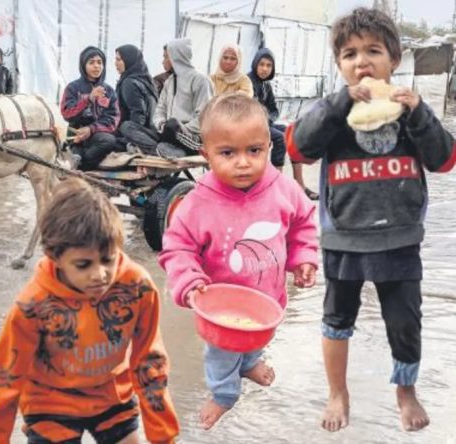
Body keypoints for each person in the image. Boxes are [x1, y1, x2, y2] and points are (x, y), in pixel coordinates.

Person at [286, 7, 456, 433]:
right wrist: (341, 102)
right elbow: (298, 149)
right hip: (344, 238)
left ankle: (405, 391)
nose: (362, 62)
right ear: (339, 64)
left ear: (393, 60)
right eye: (349, 54)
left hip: (400, 239)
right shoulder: (331, 109)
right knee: (336, 321)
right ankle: (338, 392)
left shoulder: (410, 108)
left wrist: (419, 113)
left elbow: (444, 159)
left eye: (373, 51)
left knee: (405, 322)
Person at [0, 177, 179, 443]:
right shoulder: (34, 304)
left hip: (112, 397)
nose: (100, 274)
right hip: (50, 405)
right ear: (54, 257)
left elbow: (149, 358)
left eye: (108, 259)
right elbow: (5, 376)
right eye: (83, 265)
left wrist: (163, 435)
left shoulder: (136, 287)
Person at [159, 93, 318, 430]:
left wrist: (304, 258)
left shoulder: (283, 188)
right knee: (222, 353)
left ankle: (249, 363)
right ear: (206, 155)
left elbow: (303, 221)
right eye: (228, 153)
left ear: (268, 148)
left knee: (257, 337)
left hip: (267, 297)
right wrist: (189, 280)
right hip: (221, 309)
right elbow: (177, 248)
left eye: (254, 151)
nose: (243, 162)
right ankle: (224, 395)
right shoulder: (199, 202)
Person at [247, 48, 318, 200]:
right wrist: (265, 120)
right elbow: (250, 110)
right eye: (262, 64)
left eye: (269, 65)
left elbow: (273, 110)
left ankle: (300, 185)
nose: (265, 69)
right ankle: (276, 187)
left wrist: (269, 119)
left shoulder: (266, 85)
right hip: (250, 126)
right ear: (255, 64)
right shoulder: (248, 82)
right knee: (280, 138)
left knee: (293, 133)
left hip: (264, 124)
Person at [61, 46, 120, 170]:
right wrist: (88, 99)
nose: (96, 66)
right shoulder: (73, 88)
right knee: (74, 148)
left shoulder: (108, 91)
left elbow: (113, 119)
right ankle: (76, 155)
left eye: (100, 62)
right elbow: (66, 113)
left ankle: (83, 165)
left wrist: (91, 129)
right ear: (83, 65)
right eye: (91, 62)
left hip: (96, 136)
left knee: (109, 141)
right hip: (76, 135)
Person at [152, 37, 213, 158]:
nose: (163, 61)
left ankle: (171, 149)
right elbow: (160, 110)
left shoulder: (200, 80)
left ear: (176, 57)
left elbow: (204, 118)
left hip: (192, 136)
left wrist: (180, 129)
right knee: (129, 127)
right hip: (168, 132)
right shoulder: (169, 81)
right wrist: (161, 125)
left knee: (172, 124)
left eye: (166, 57)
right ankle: (170, 150)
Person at [114, 44, 158, 153]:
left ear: (129, 61)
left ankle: (153, 150)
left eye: (119, 60)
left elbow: (138, 116)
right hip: (152, 133)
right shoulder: (146, 80)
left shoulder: (129, 82)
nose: (115, 63)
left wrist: (130, 139)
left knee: (104, 139)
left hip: (138, 134)